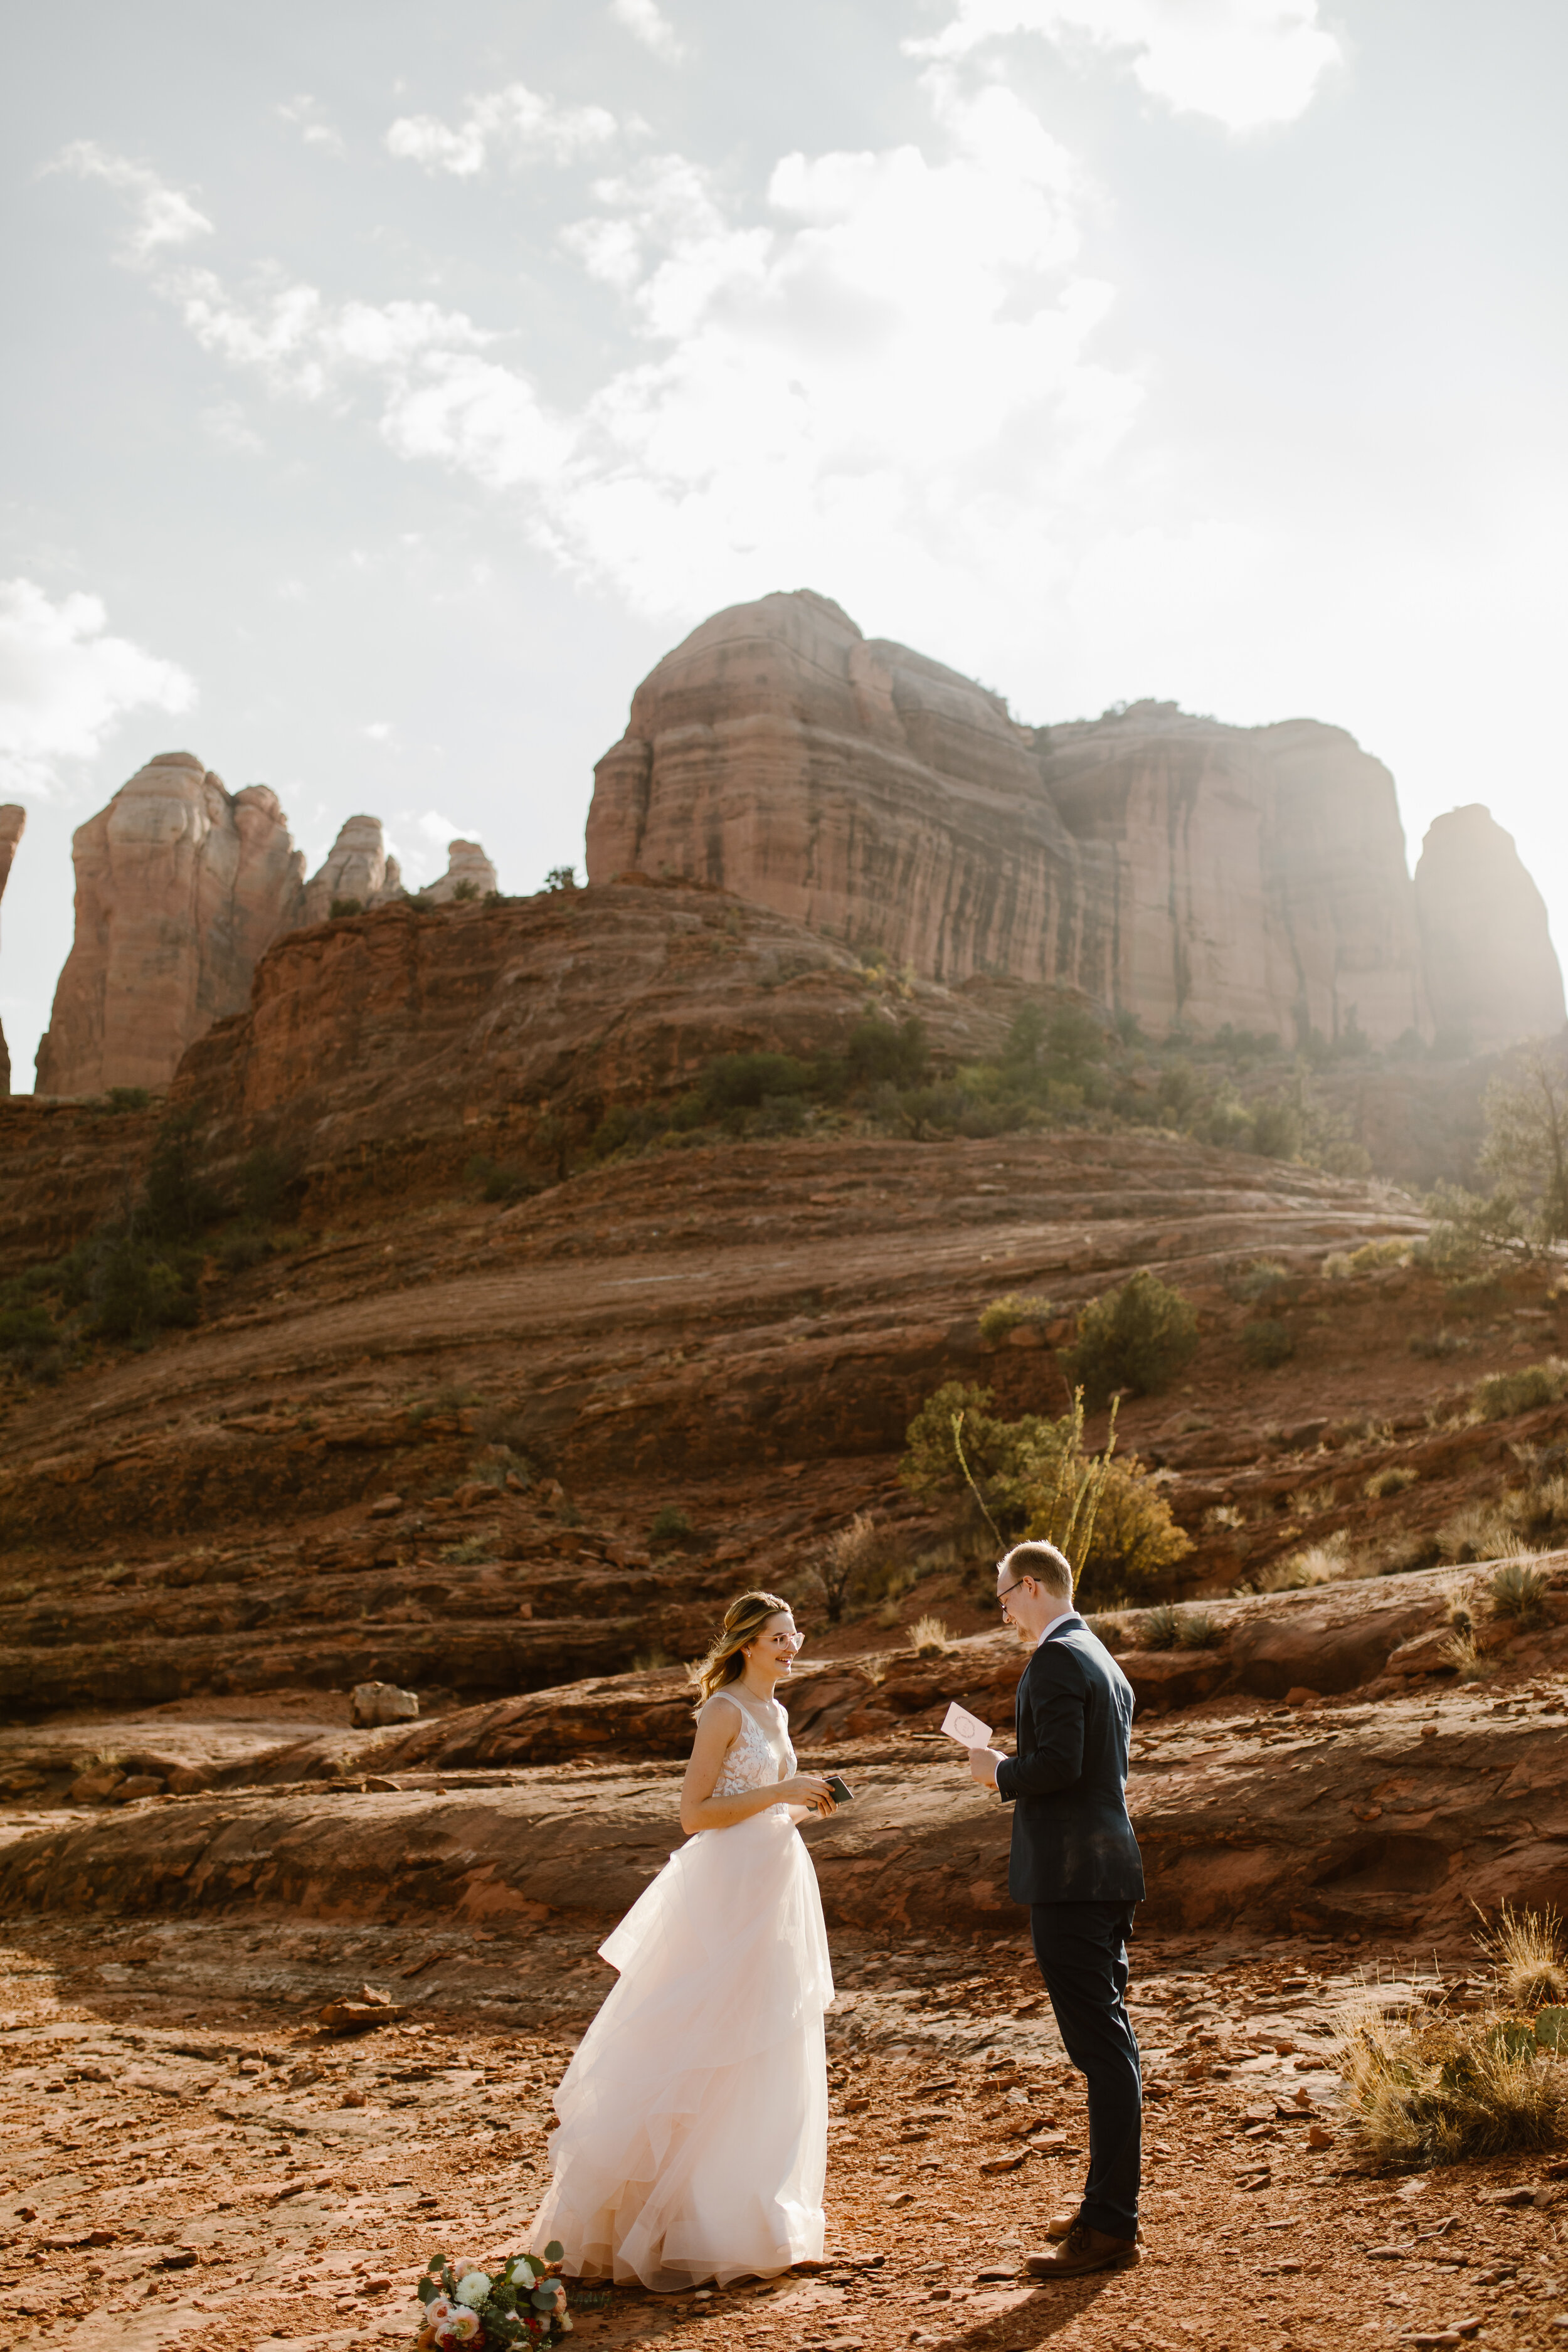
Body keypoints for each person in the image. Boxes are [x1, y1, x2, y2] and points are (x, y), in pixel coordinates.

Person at [529, 1590, 839, 2292]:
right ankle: (674, 2222)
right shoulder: (723, 1711)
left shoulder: (778, 1711)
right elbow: (694, 1815)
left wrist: (797, 1802)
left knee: (767, 2037)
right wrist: (777, 1791)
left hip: (773, 1882)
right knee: (709, 2038)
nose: (792, 1648)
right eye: (778, 1639)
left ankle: (751, 2215)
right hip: (724, 1892)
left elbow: (760, 1800)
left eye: (795, 1636)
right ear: (746, 1646)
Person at [963, 1539, 1145, 2277]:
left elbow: (1061, 1765)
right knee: (1112, 2046)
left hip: (1072, 1878)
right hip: (1107, 1871)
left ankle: (1109, 2227)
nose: (1003, 1613)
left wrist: (996, 1771)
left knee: (1101, 2051)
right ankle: (1108, 2208)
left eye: (1003, 1599)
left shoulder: (1056, 1659)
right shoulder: (1100, 1655)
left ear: (1030, 1587)